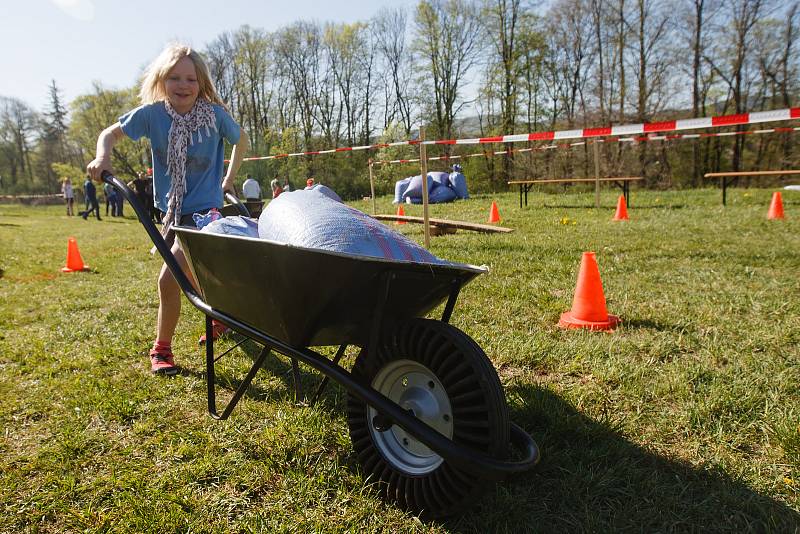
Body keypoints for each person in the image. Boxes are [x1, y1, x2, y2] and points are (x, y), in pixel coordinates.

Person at [87, 43, 249, 376]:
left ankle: (161, 349)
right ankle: (219, 316)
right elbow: (110, 133)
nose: (183, 85)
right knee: (192, 271)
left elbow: (240, 139)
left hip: (206, 213)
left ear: (200, 82)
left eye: (190, 78)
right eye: (175, 77)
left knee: (170, 278)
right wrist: (103, 157)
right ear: (162, 80)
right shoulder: (152, 116)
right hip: (172, 214)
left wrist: (228, 178)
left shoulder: (214, 116)